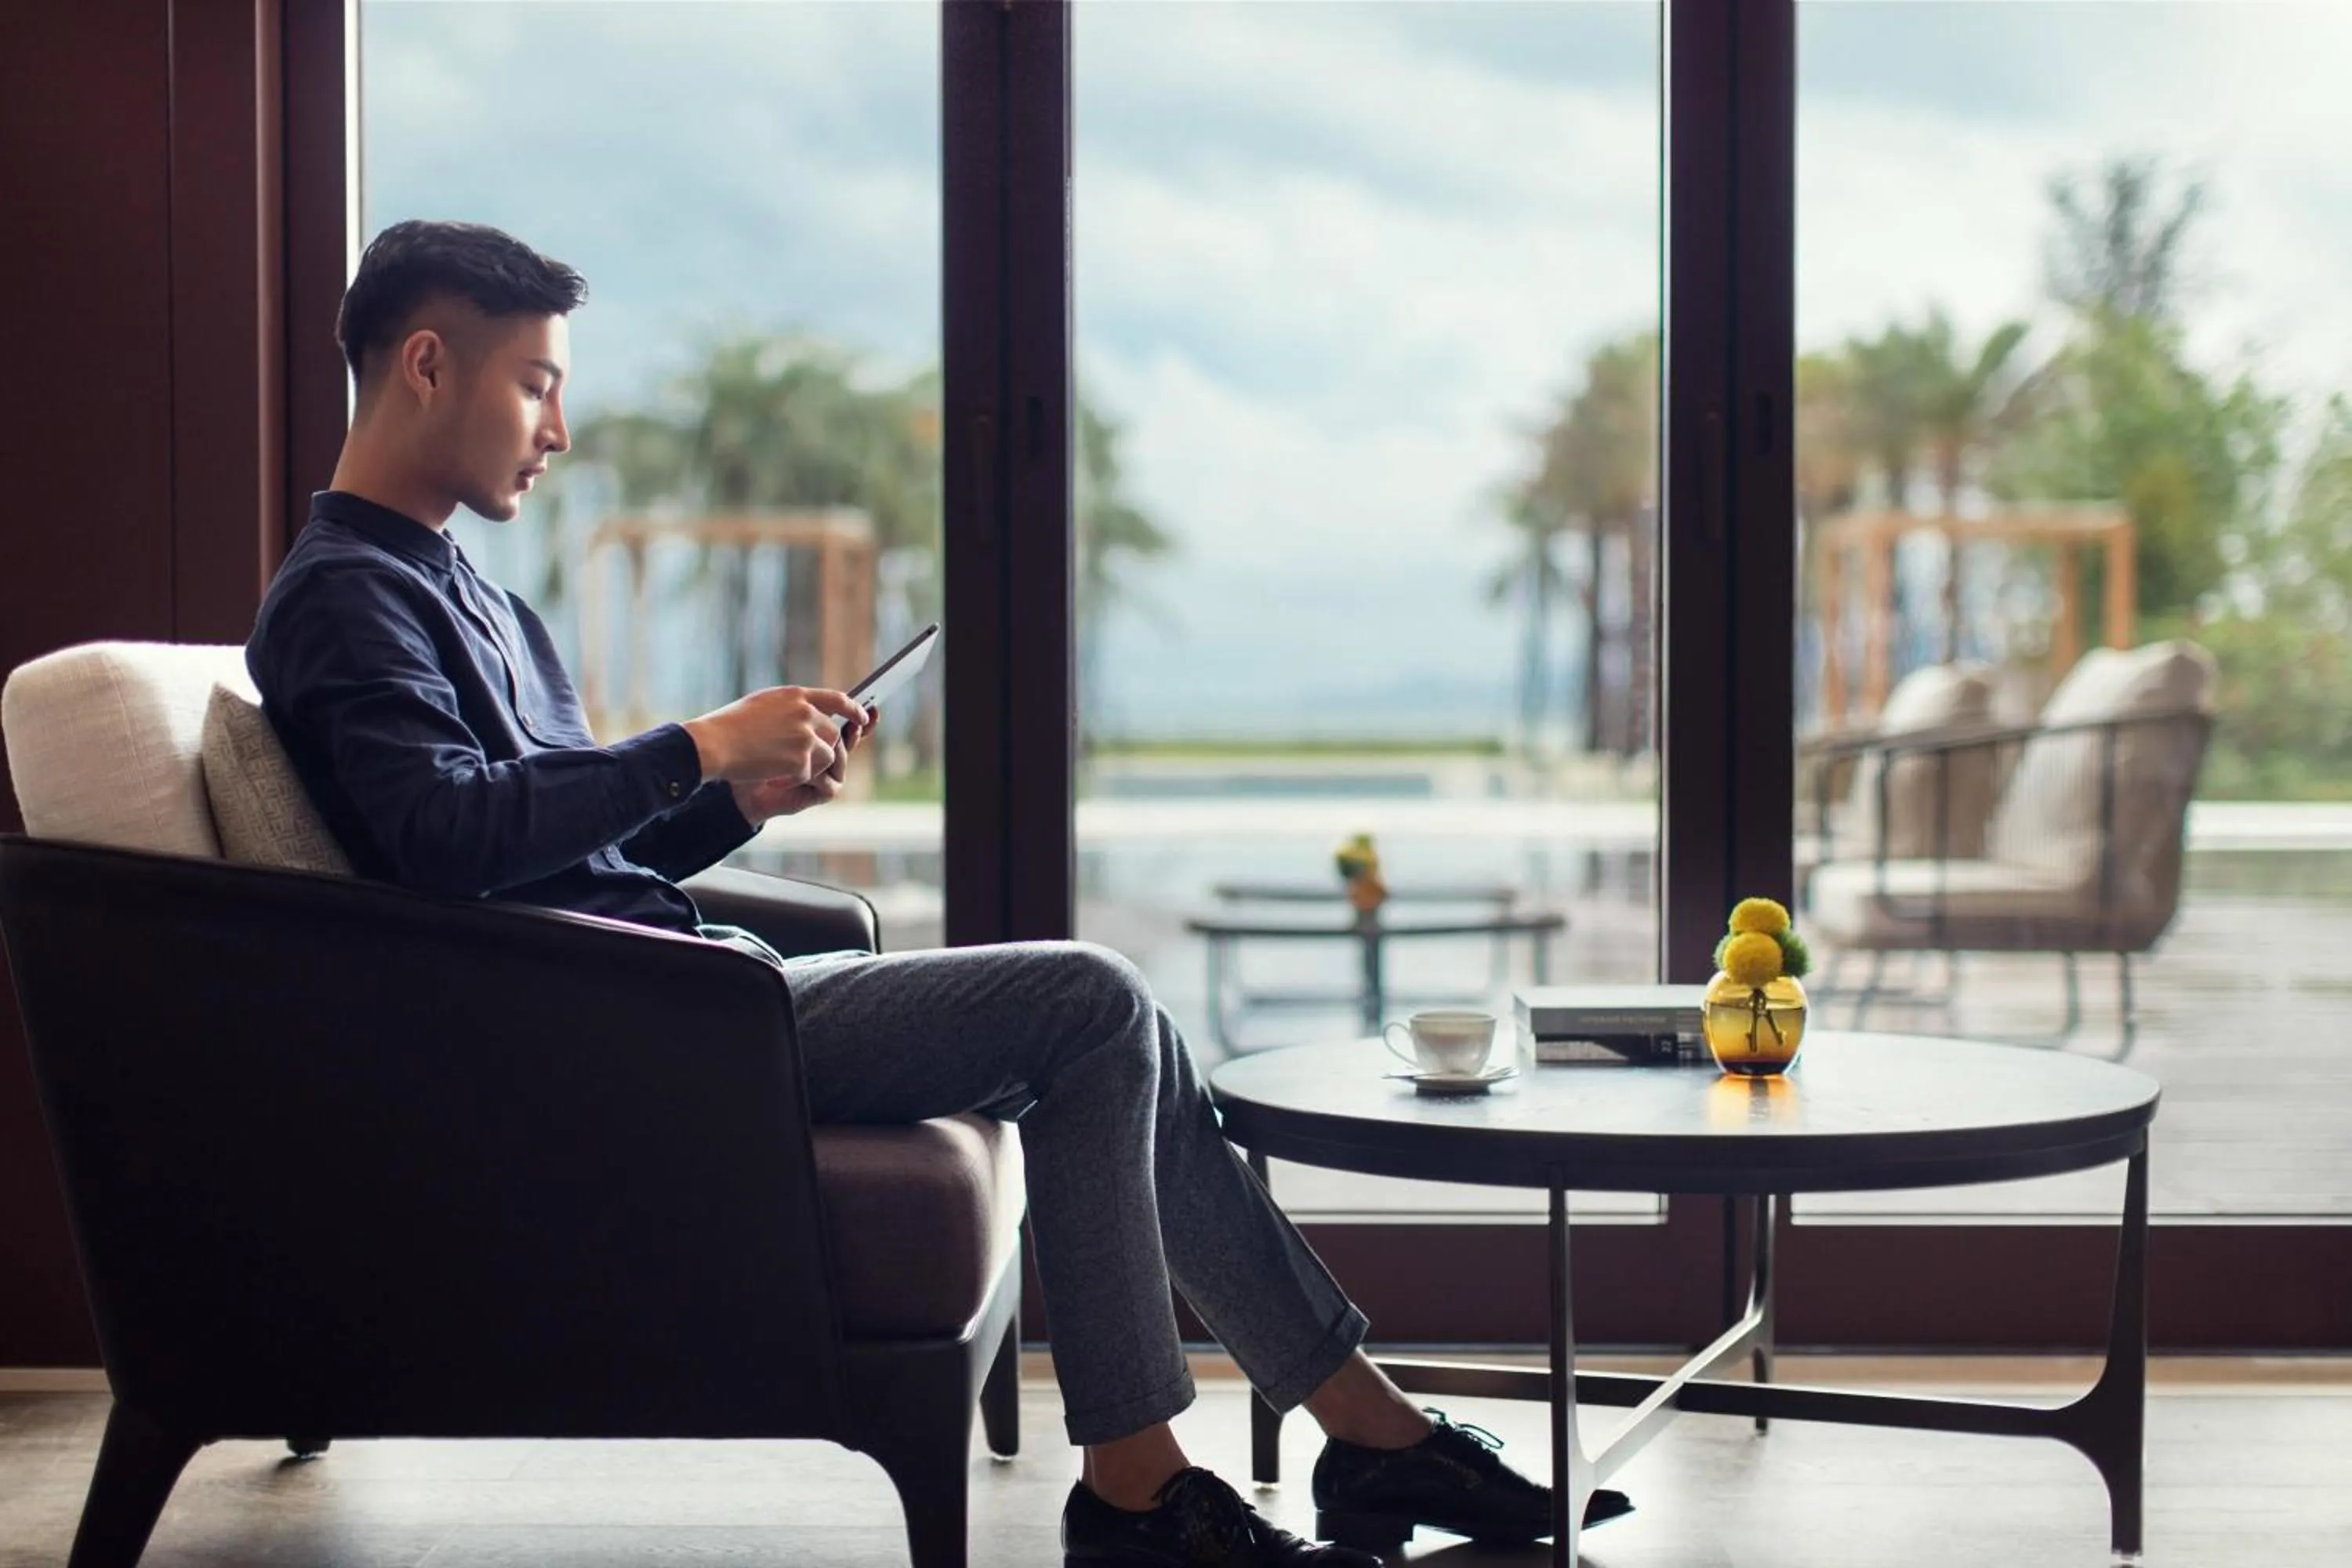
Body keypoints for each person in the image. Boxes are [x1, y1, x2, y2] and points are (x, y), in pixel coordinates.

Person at [247, 219, 1628, 1567]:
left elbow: (554, 860)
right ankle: (1205, 1484)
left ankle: (1309, 1442)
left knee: (1112, 1029)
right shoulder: (342, 599)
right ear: (427, 365)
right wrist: (697, 744)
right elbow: (440, 840)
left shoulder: (471, 595)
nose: (557, 430)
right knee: (1089, 997)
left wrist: (732, 801)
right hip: (627, 1036)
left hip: (665, 993)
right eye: (537, 384)